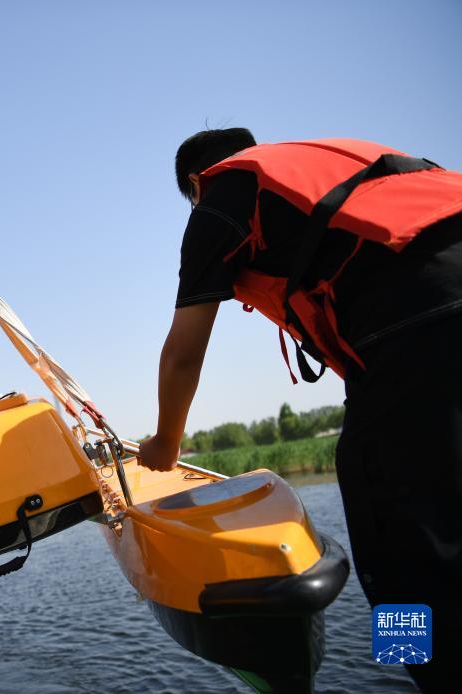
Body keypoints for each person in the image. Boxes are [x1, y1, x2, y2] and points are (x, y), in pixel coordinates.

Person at [139, 129, 462, 692]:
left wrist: (166, 444)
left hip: (418, 322)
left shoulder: (219, 198)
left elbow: (183, 353)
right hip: (426, 315)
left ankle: (425, 674)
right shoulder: (326, 165)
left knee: (395, 548)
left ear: (195, 183)